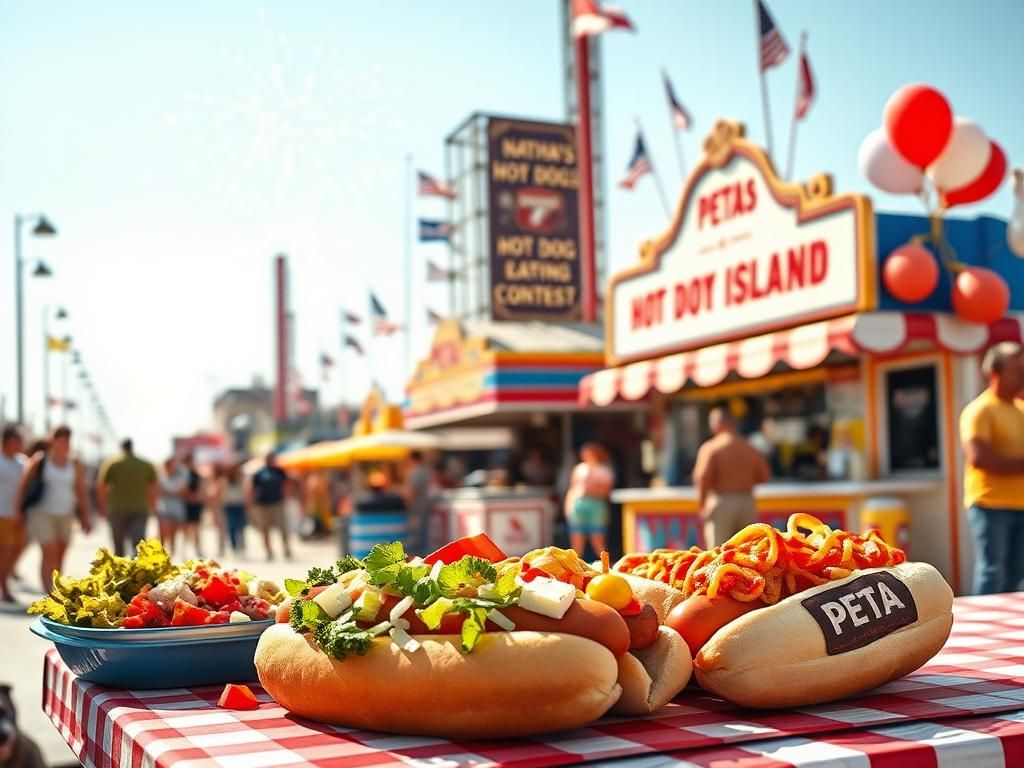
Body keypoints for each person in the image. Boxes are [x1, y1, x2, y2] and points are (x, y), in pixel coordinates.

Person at [960, 342, 1024, 595]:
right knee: (993, 570)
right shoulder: (980, 410)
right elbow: (979, 457)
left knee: (1017, 572)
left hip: (1020, 504)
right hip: (990, 504)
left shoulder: (1020, 409)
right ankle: (981, 627)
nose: (1021, 374)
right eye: (1016, 369)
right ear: (994, 373)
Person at [14, 426, 91, 593]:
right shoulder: (40, 459)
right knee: (49, 551)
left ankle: (56, 588)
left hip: (65, 514)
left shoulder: (74, 463)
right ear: (54, 440)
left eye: (67, 439)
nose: (65, 443)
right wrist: (18, 511)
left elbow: (81, 491)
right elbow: (23, 486)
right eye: (61, 439)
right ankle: (48, 592)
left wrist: (85, 516)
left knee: (60, 554)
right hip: (42, 513)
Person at [693, 407, 771, 547]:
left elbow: (702, 477)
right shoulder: (749, 447)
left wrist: (702, 504)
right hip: (747, 503)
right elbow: (764, 475)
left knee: (717, 554)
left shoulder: (711, 447)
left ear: (716, 424)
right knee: (749, 552)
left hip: (722, 502)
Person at [96, 438, 158, 558]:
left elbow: (101, 486)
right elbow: (153, 487)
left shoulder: (112, 463)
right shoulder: (145, 464)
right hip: (140, 508)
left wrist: (102, 507)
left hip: (117, 509)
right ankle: (136, 573)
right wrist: (153, 506)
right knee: (138, 544)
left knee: (118, 545)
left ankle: (120, 574)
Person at [564, 443, 614, 558]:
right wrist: (568, 506)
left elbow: (605, 491)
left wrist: (591, 490)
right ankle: (576, 567)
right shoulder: (579, 468)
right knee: (577, 541)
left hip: (595, 506)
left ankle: (605, 566)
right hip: (578, 505)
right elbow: (572, 488)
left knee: (597, 539)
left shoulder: (603, 470)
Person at [248, 452, 292, 561]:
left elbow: (286, 485)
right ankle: (268, 551)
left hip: (277, 503)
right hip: (263, 504)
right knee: (265, 529)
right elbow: (252, 489)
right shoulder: (259, 473)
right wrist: (251, 503)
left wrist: (286, 497)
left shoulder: (279, 471)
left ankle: (286, 549)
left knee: (283, 527)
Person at [0, 426, 27, 602]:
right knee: (6, 551)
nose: (20, 444)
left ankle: (5, 582)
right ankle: (4, 588)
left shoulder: (23, 462)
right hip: (2, 514)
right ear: (8, 441)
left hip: (19, 516)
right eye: (17, 441)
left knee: (16, 551)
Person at [404, 451, 432, 555]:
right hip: (423, 508)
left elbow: (411, 492)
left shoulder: (416, 473)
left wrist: (406, 505)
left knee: (415, 540)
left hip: (416, 510)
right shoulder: (425, 471)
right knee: (422, 538)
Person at [156, 457, 186, 553]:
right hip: (164, 508)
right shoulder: (161, 477)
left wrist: (170, 491)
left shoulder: (180, 477)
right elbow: (160, 491)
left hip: (176, 509)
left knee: (174, 533)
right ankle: (161, 553)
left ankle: (172, 554)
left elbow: (181, 490)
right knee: (163, 532)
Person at [218, 462, 248, 554]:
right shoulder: (224, 481)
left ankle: (242, 545)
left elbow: (245, 491)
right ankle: (234, 546)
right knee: (232, 526)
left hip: (240, 505)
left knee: (241, 526)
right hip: (229, 506)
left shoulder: (240, 479)